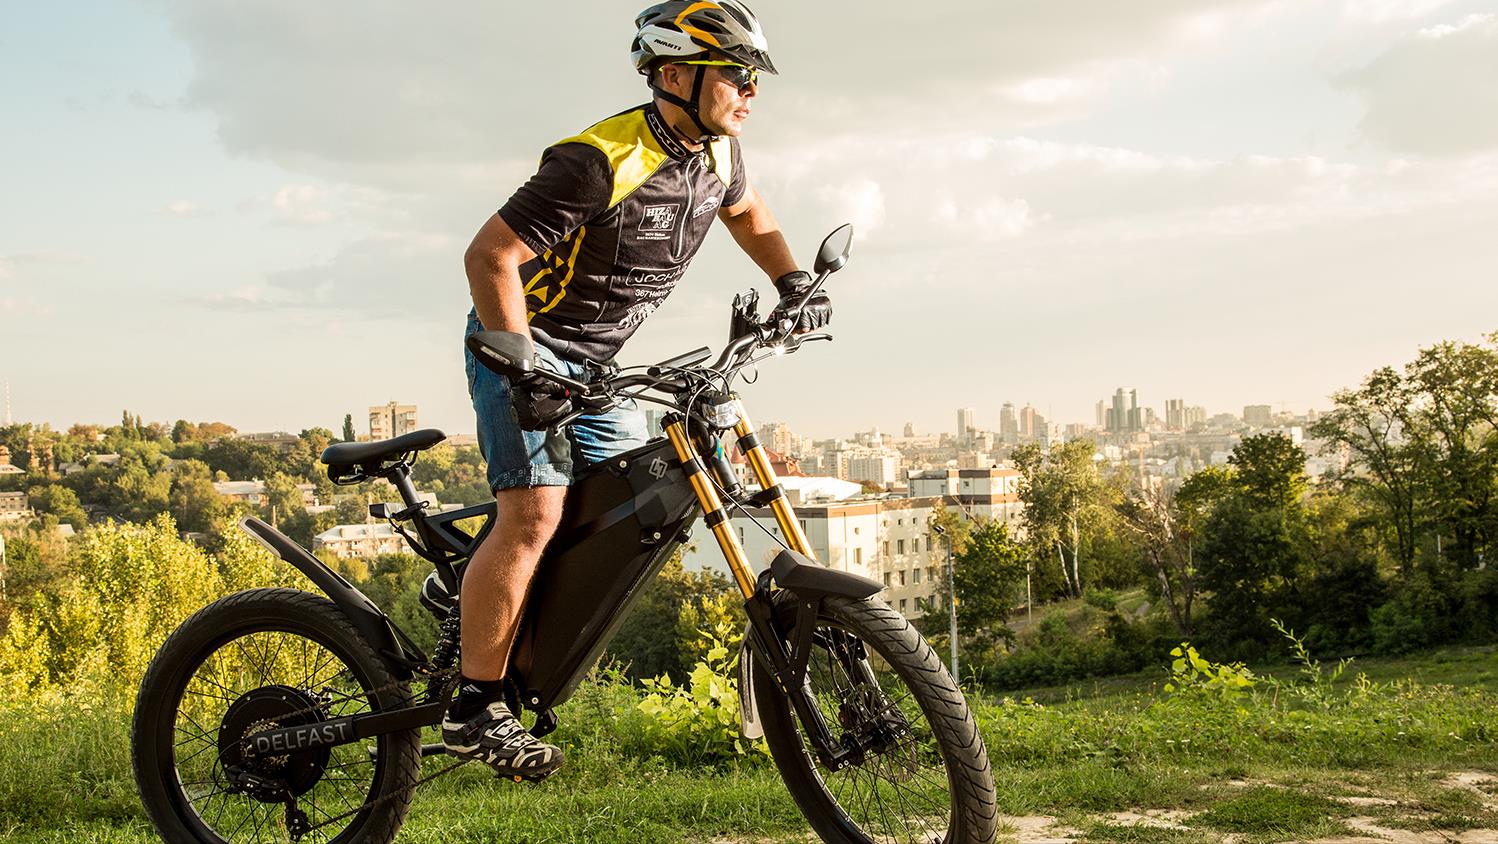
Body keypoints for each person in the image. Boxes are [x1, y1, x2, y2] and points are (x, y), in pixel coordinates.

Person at [443, 1, 831, 780]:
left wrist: (791, 280)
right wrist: (522, 366)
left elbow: (748, 213)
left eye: (753, 77)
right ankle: (474, 706)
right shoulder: (597, 161)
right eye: (737, 75)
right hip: (525, 350)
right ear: (676, 75)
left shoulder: (717, 154)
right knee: (536, 514)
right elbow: (490, 256)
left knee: (628, 509)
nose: (751, 91)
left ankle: (465, 591)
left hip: (600, 368)